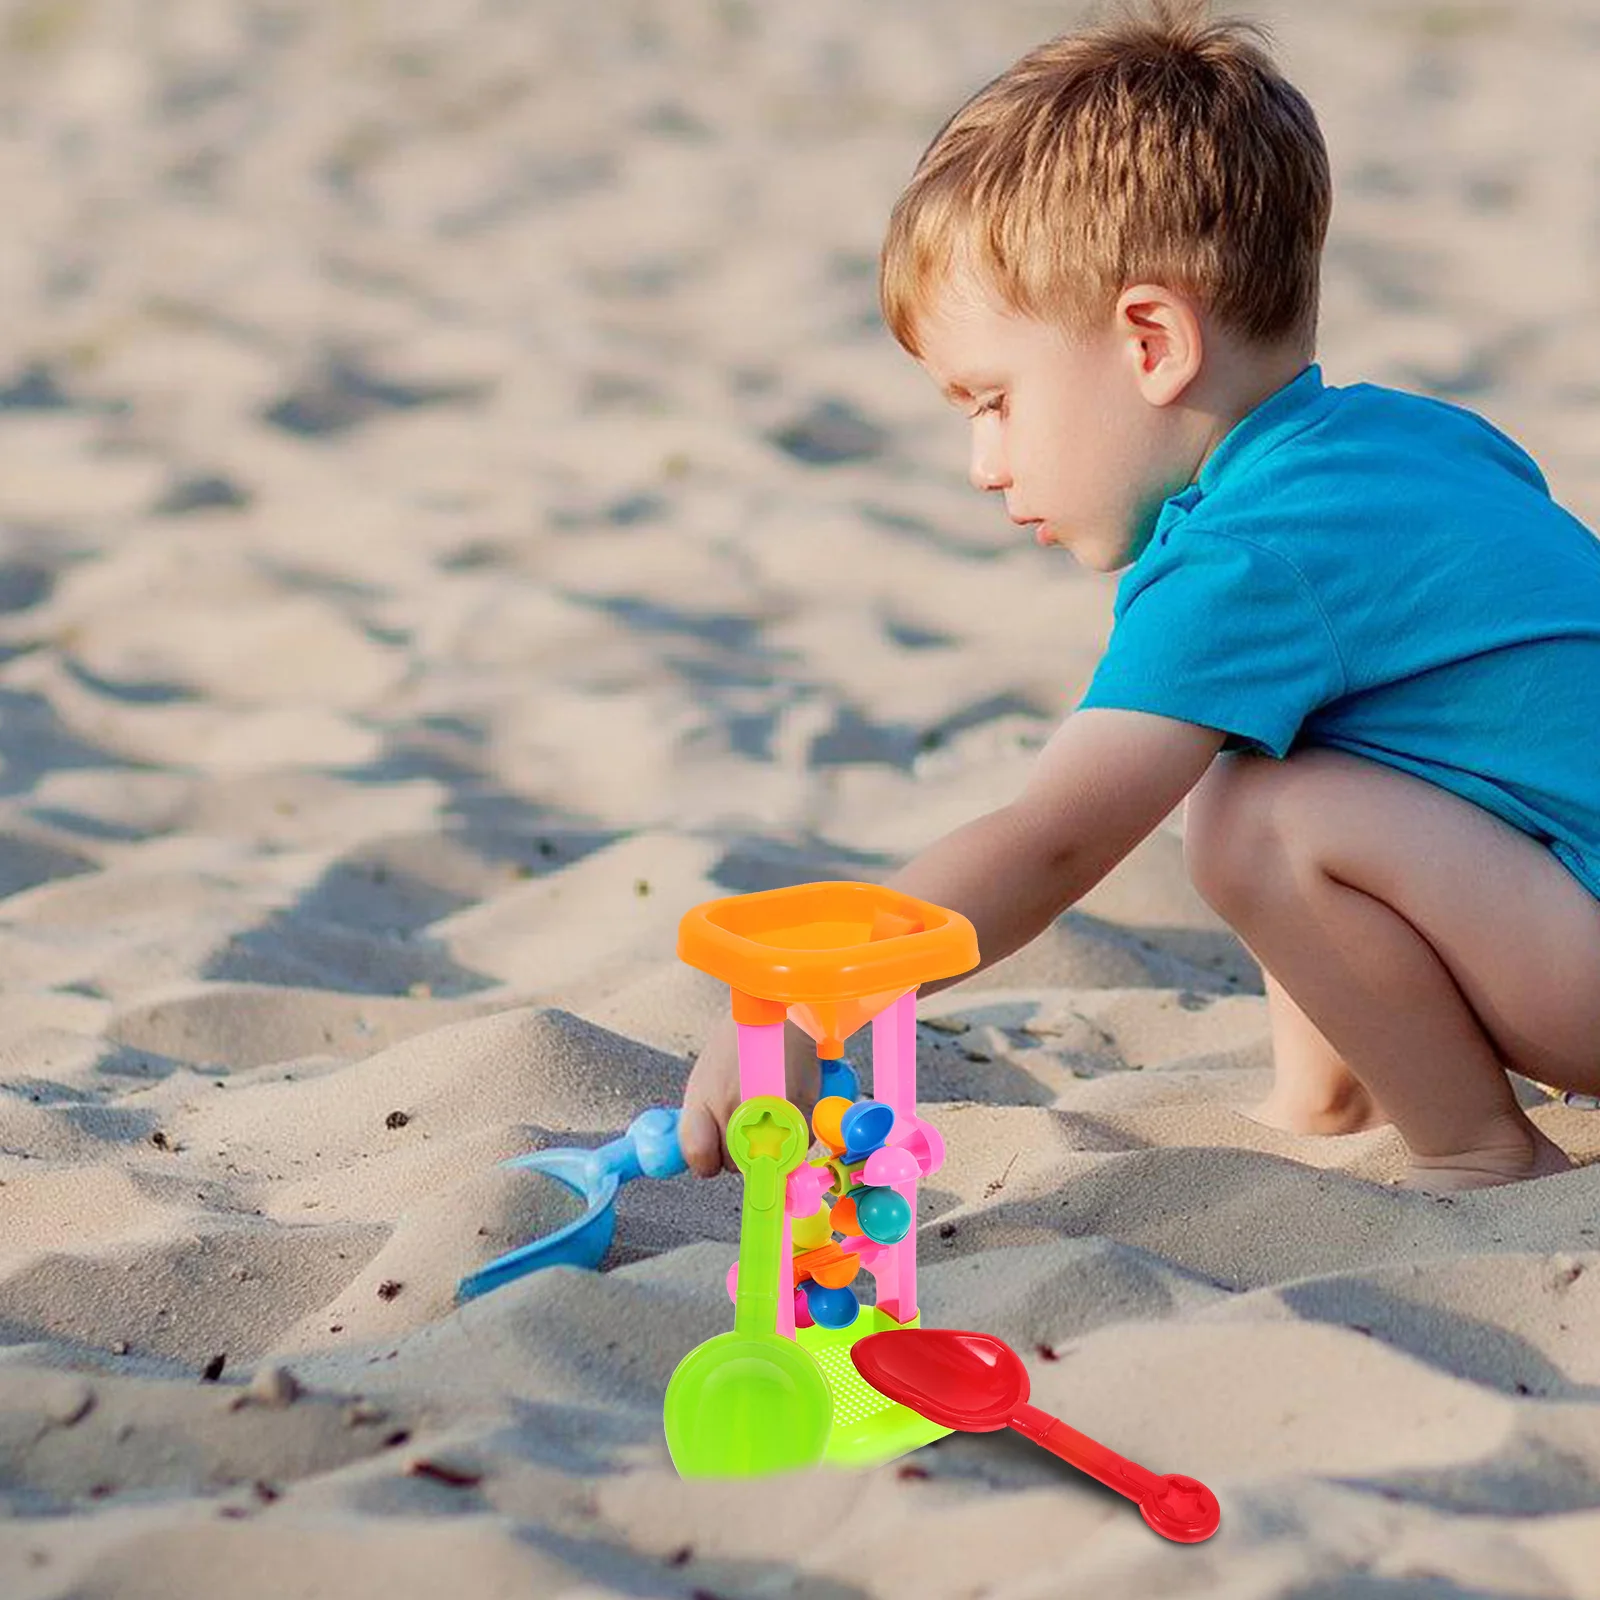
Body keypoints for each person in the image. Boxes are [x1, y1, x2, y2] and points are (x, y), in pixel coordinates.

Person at [679, 0, 1600, 1193]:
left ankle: (1473, 1145)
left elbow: (1051, 839)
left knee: (1256, 817)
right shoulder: (1415, 441)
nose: (983, 462)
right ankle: (1333, 1087)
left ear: (1152, 341)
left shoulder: (1243, 559)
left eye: (993, 400)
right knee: (1273, 748)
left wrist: (813, 1008)